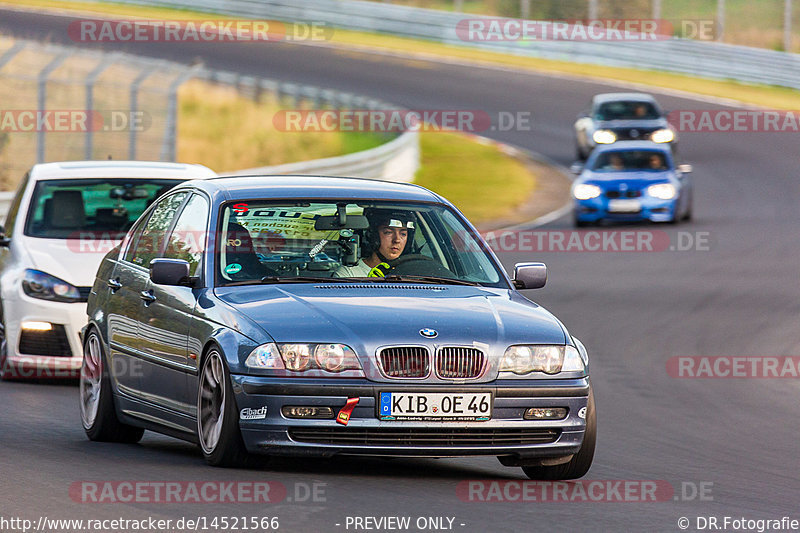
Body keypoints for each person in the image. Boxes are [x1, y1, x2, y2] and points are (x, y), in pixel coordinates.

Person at [333, 209, 415, 277]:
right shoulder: (349, 274)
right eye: (388, 232)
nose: (397, 240)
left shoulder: (413, 273)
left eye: (403, 234)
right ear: (373, 236)